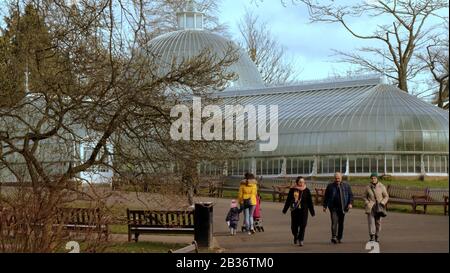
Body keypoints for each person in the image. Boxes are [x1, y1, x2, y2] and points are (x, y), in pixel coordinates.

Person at [282, 176, 315, 246]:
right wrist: (285, 210)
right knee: (294, 227)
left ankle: (301, 239)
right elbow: (288, 200)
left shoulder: (307, 190)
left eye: (303, 182)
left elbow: (310, 202)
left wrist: (312, 212)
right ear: (297, 182)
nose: (302, 183)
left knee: (303, 225)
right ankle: (295, 236)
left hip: (304, 210)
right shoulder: (293, 190)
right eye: (300, 182)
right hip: (295, 210)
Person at [323, 172, 353, 244]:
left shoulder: (346, 186)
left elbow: (350, 195)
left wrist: (350, 203)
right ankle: (334, 236)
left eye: (338, 178)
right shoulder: (330, 186)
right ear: (334, 178)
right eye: (336, 178)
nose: (337, 180)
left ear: (341, 178)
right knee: (334, 222)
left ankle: (339, 237)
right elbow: (326, 196)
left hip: (343, 207)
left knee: (341, 223)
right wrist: (325, 206)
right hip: (333, 207)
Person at [363, 172, 389, 242]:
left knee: (378, 222)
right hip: (371, 207)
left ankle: (377, 235)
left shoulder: (382, 186)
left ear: (377, 178)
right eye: (372, 178)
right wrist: (367, 202)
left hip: (379, 207)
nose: (373, 179)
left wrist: (383, 203)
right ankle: (372, 236)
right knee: (371, 222)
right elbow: (364, 196)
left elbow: (386, 196)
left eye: (374, 178)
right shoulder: (368, 187)